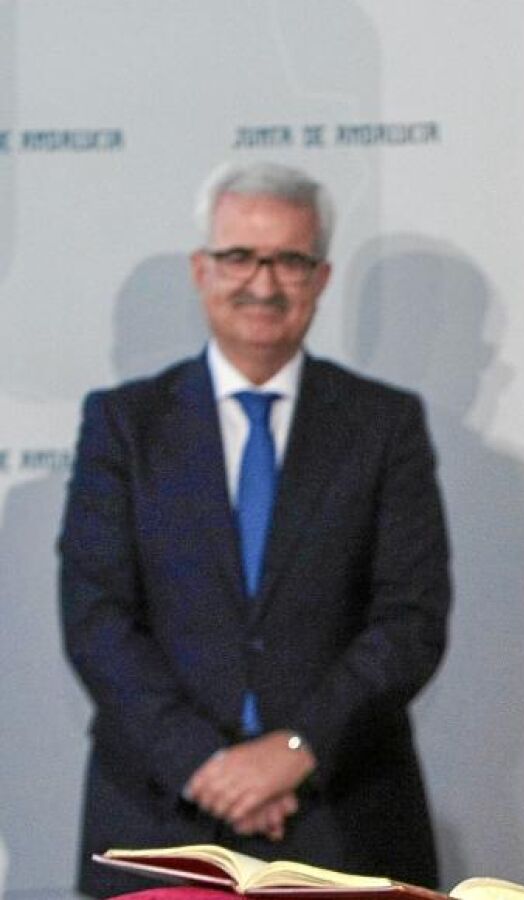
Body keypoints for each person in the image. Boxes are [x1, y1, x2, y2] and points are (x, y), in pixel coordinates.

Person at [59, 162, 450, 897]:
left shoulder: (384, 424)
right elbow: (96, 617)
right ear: (201, 269)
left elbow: (411, 620)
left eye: (289, 261)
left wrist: (296, 749)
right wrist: (205, 764)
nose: (263, 284)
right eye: (239, 256)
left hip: (343, 816)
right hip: (158, 817)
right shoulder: (123, 424)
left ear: (321, 277)